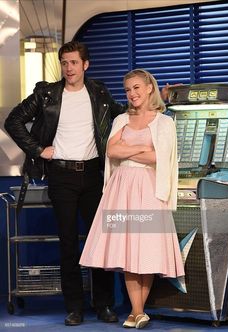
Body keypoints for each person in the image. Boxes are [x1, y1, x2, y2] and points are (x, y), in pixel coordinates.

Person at [4, 41, 126, 326]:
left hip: (94, 175)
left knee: (100, 241)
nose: (68, 68)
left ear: (86, 65)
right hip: (62, 177)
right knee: (69, 244)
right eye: (64, 62)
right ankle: (74, 308)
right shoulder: (46, 94)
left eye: (73, 62)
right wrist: (37, 149)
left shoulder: (99, 92)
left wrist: (159, 101)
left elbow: (123, 113)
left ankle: (104, 304)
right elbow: (13, 121)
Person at [79, 69, 185, 329]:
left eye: (136, 88)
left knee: (145, 249)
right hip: (121, 190)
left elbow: (159, 158)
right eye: (127, 90)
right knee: (128, 251)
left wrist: (131, 151)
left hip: (149, 190)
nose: (132, 94)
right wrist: (141, 148)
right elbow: (111, 151)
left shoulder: (164, 122)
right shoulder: (121, 119)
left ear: (149, 87)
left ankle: (136, 312)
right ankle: (138, 312)